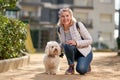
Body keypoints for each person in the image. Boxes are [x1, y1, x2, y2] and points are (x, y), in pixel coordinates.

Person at [57, 8, 93, 75]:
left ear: (71, 16)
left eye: (67, 16)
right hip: (74, 52)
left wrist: (76, 43)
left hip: (85, 52)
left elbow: (90, 40)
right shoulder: (60, 29)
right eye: (63, 16)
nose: (65, 18)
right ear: (60, 17)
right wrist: (56, 48)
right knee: (67, 45)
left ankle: (87, 63)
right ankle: (71, 67)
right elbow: (63, 43)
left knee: (81, 70)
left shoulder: (78, 25)